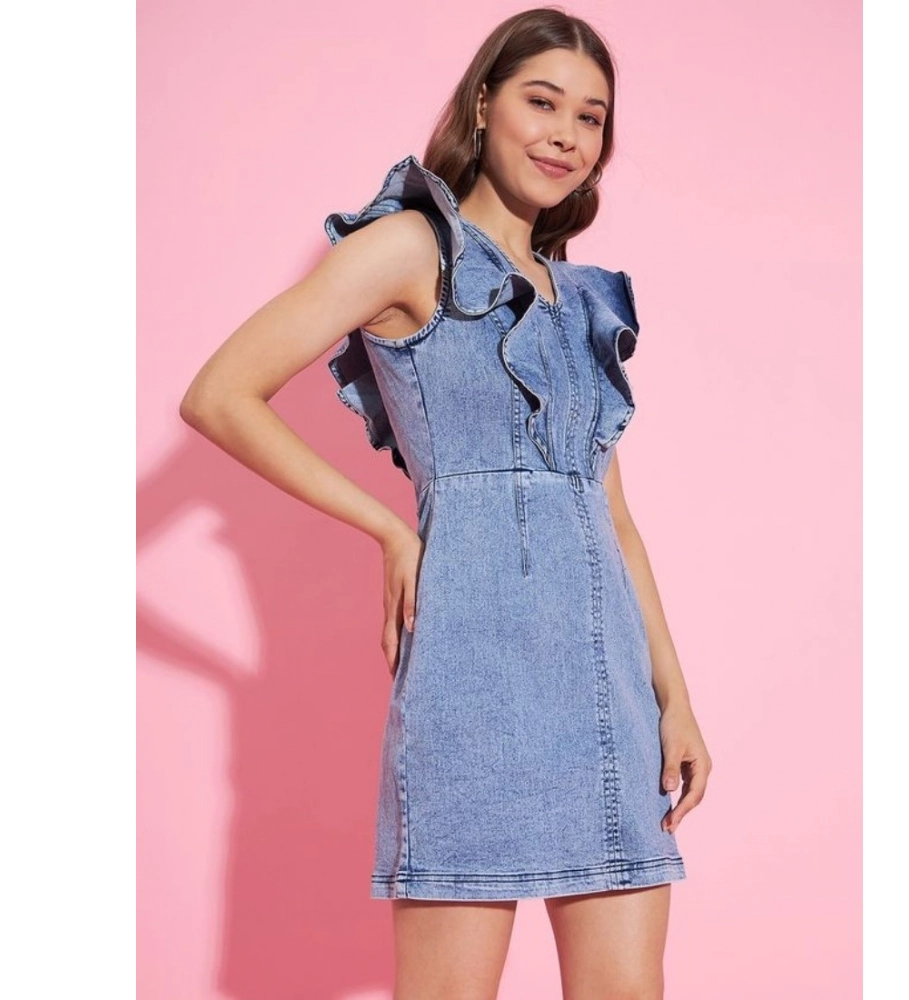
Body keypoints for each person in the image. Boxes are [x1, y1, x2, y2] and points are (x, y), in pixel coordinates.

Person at [180, 7, 712, 998]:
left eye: (590, 117)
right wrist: (387, 526)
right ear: (482, 104)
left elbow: (615, 520)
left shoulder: (578, 298)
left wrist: (674, 697)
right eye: (541, 101)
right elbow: (219, 395)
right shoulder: (408, 248)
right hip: (474, 680)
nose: (565, 134)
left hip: (610, 693)